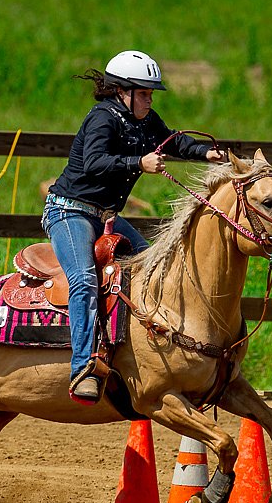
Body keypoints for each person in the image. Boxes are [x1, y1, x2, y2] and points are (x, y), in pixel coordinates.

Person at [42, 50, 226, 403]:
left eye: (150, 93)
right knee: (83, 279)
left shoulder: (143, 119)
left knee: (153, 266)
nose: (149, 99)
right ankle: (83, 367)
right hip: (69, 212)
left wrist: (206, 154)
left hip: (103, 215)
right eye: (144, 93)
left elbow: (172, 140)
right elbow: (94, 162)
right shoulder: (102, 119)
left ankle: (140, 354)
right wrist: (138, 162)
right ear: (121, 91)